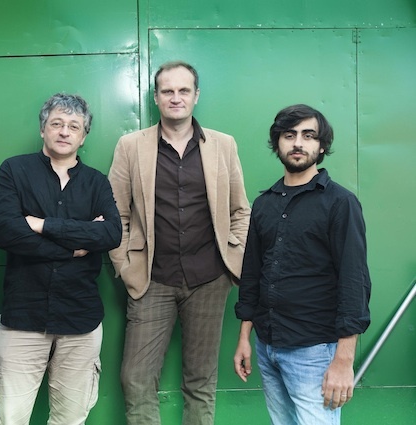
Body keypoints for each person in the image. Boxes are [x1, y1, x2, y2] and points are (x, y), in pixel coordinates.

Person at [108, 60, 251, 425]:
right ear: (156, 97)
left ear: (196, 95)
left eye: (183, 90)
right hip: (151, 278)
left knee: (201, 380)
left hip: (210, 278)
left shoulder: (223, 145)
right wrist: (125, 266)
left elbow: (240, 210)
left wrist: (233, 259)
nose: (176, 97)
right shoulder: (130, 146)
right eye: (167, 91)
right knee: (135, 378)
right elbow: (115, 213)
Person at [233, 104, 372, 425]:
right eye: (289, 135)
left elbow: (354, 280)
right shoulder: (264, 204)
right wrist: (244, 338)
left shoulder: (340, 203)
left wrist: (344, 360)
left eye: (308, 136)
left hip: (314, 350)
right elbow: (252, 274)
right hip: (266, 345)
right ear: (277, 143)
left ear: (321, 146)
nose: (298, 143)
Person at [0, 93, 122, 425]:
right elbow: (6, 232)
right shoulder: (14, 170)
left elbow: (111, 234)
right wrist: (74, 246)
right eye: (57, 124)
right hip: (23, 318)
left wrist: (42, 225)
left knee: (70, 420)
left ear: (83, 136)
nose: (64, 131)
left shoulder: (96, 182)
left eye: (74, 126)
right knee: (8, 419)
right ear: (43, 129)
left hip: (80, 320)